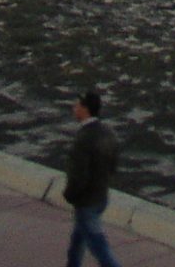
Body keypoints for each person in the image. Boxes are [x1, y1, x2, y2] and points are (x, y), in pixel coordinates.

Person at [62, 90, 121, 267]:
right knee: (77, 242)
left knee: (100, 248)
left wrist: (69, 195)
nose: (74, 108)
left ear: (85, 109)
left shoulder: (83, 138)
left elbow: (79, 175)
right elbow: (113, 165)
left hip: (86, 202)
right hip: (101, 196)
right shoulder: (108, 132)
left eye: (77, 105)